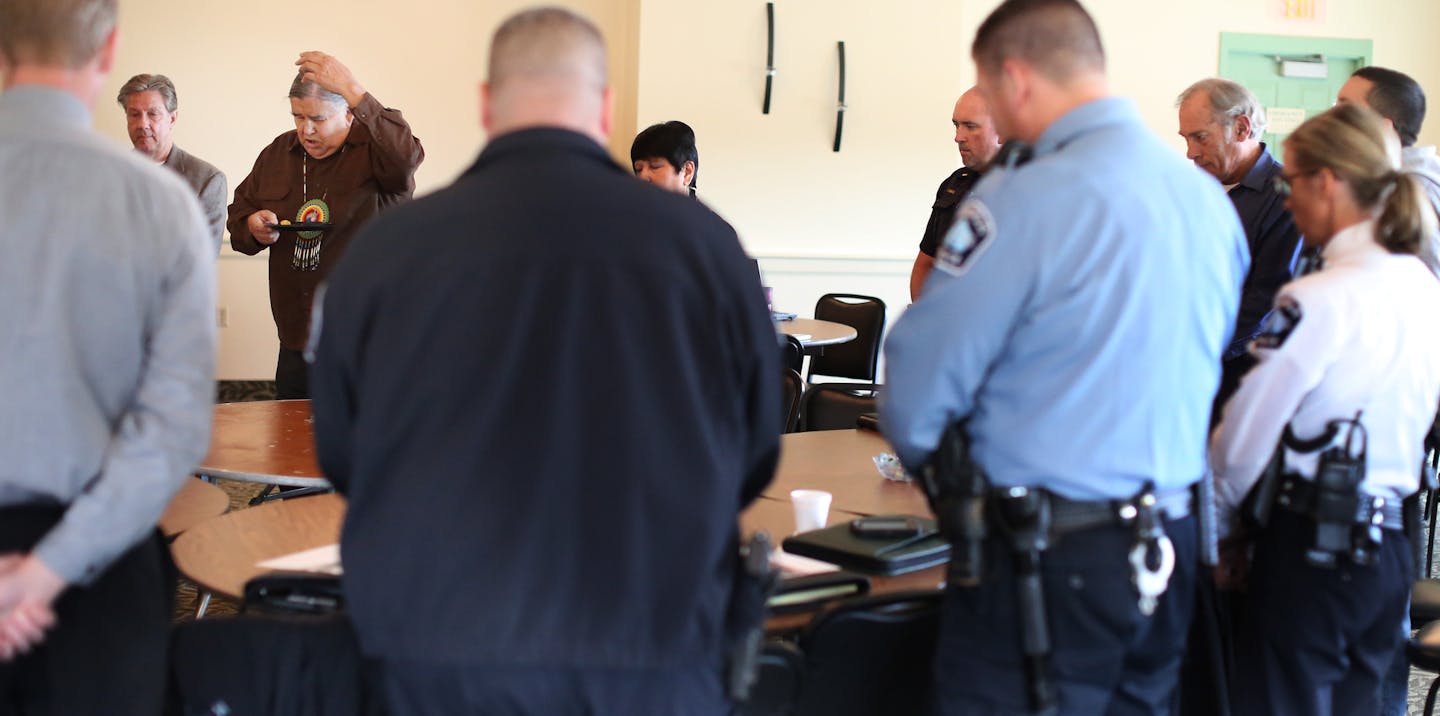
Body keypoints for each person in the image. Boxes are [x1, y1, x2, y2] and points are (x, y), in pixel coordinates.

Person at [309, 7, 779, 715]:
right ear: (606, 108)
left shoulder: (385, 253)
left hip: (439, 651)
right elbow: (755, 452)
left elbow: (344, 452)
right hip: (650, 648)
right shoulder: (708, 250)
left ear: (486, 103)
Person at [880, 0, 1247, 713]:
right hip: (1169, 547)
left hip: (1046, 557)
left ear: (1015, 79)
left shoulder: (1021, 199)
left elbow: (916, 392)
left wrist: (952, 487)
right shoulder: (1206, 202)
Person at [0, 0, 217, 711]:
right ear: (110, 49)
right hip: (102, 559)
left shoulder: (181, 190)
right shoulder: (159, 204)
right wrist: (45, 573)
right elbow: (174, 427)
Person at [1210, 102, 1440, 716]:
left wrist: (1219, 530)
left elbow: (1242, 442)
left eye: (1291, 185)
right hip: (1389, 543)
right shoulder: (1422, 285)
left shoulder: (1315, 298)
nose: (1286, 202)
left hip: (1310, 547)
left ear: (1329, 183)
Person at [228, 52, 423, 399]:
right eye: (298, 117)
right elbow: (240, 212)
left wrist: (353, 89)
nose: (306, 130)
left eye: (317, 118)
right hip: (296, 339)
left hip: (364, 340)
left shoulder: (375, 153)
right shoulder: (278, 153)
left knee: (359, 446)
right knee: (291, 443)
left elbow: (407, 156)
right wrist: (251, 224)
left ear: (348, 113)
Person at [1177, 78, 1302, 418]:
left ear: (1242, 128)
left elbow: (1266, 300)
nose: (1191, 153)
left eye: (1200, 137)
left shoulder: (1285, 197)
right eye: (1185, 139)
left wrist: (1201, 351)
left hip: (1237, 371)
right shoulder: (1197, 188)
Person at [1338, 65, 1440, 276]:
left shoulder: (1415, 188)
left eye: (1344, 108)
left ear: (1384, 127)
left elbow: (1430, 279)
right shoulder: (1381, 180)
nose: (1331, 116)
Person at [909, 87, 1002, 300]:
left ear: (1003, 130)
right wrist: (924, 318)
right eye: (956, 125)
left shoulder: (1028, 188)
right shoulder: (955, 184)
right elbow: (926, 263)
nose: (958, 137)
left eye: (970, 127)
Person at [117, 73, 228, 248]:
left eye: (153, 114)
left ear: (172, 118)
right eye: (134, 114)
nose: (143, 124)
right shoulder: (110, 174)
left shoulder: (207, 180)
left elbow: (203, 256)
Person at [630, 119, 697, 196]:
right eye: (639, 169)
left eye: (654, 166)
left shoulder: (698, 208)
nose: (642, 177)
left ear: (687, 172)